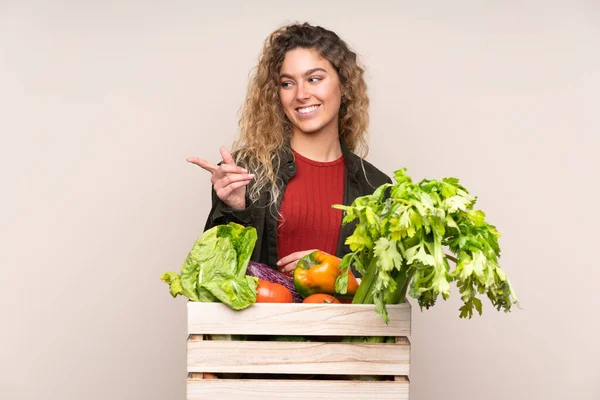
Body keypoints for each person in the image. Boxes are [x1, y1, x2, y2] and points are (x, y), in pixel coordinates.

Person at [187, 22, 390, 275]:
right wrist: (234, 208)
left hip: (340, 316)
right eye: (287, 83)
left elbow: (386, 294)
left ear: (345, 84)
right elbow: (214, 278)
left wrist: (339, 271)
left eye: (314, 79)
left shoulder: (375, 186)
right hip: (262, 316)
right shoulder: (246, 171)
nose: (301, 94)